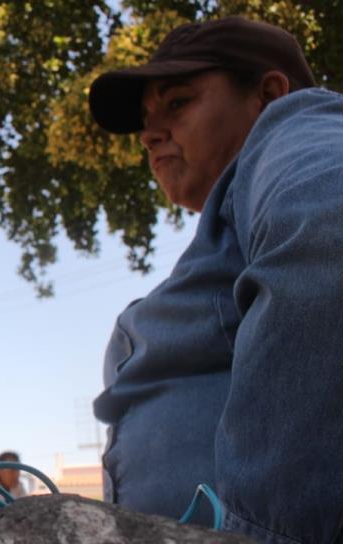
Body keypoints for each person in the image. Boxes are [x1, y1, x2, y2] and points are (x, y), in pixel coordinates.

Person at [88, 16, 343, 543]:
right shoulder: (234, 228)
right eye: (145, 119)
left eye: (178, 103)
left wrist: (268, 533)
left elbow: (329, 225)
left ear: (268, 93)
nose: (150, 133)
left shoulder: (297, 123)